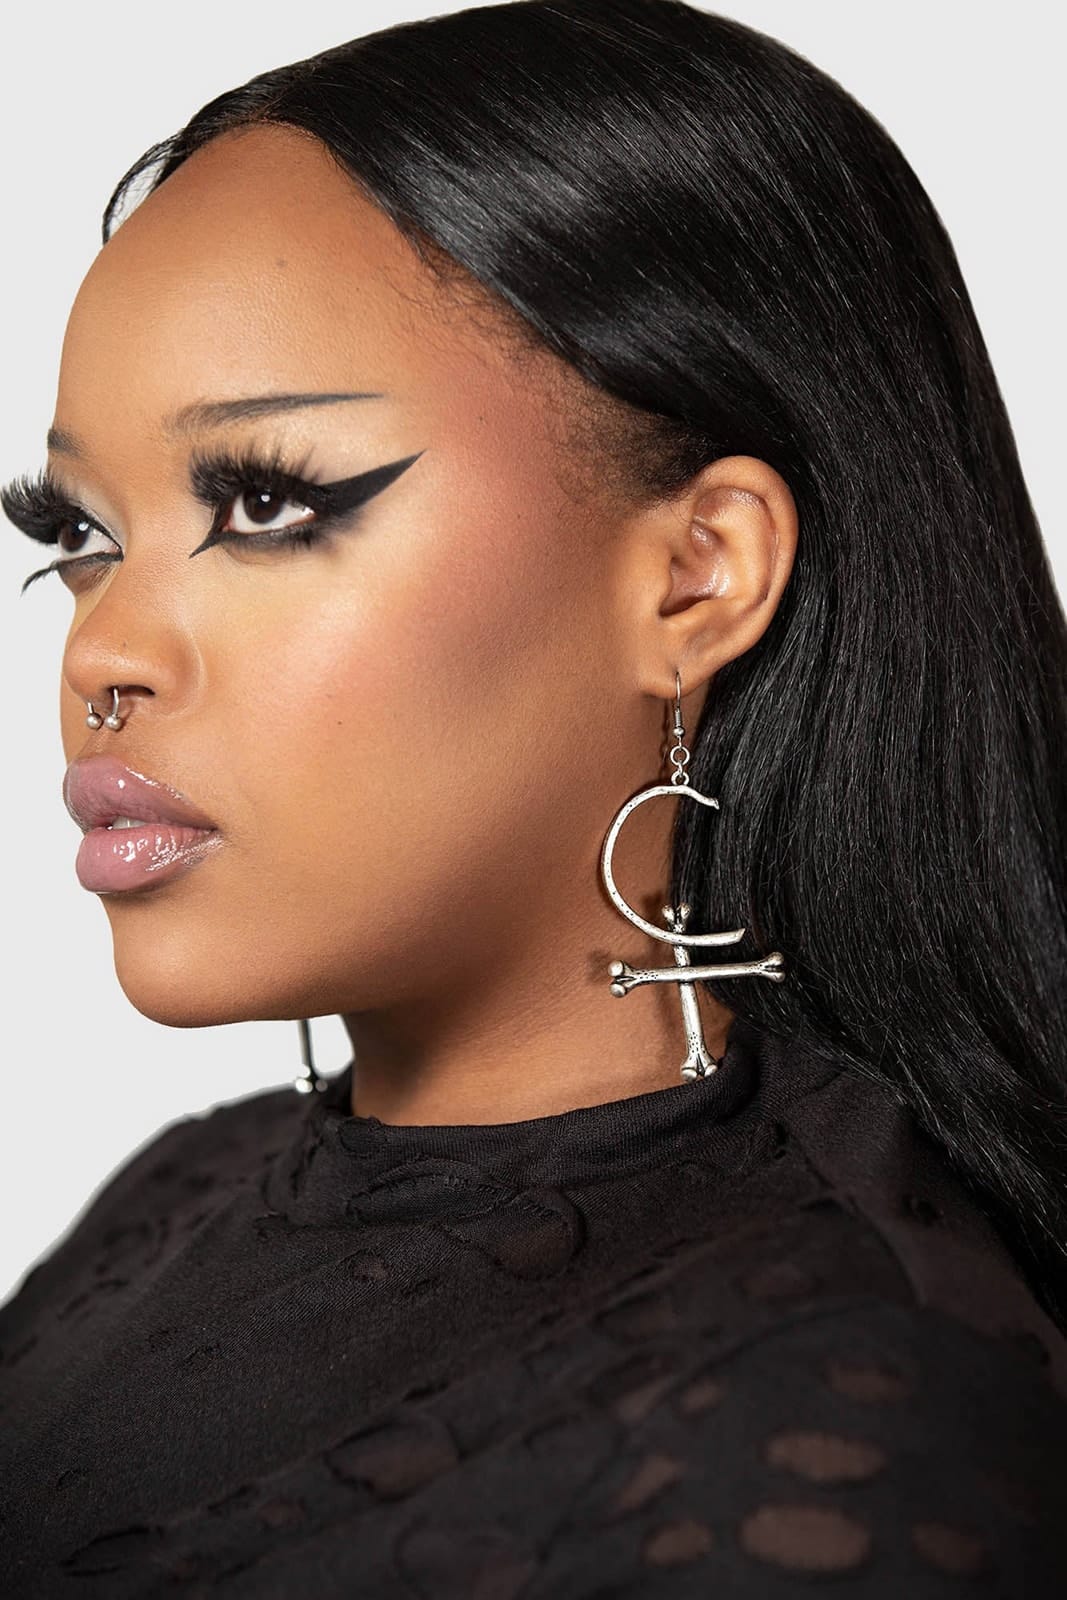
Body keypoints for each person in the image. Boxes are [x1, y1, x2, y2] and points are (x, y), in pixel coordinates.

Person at [2, 0, 1065, 1593]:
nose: (105, 651)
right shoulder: (179, 1198)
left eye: (268, 502)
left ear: (697, 575)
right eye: (81, 534)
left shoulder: (829, 1415)